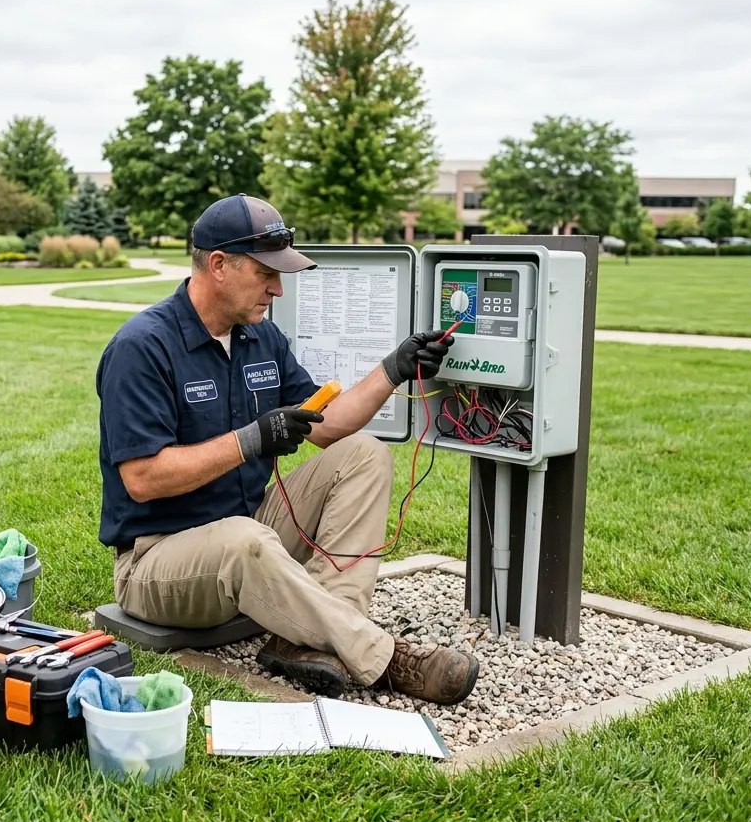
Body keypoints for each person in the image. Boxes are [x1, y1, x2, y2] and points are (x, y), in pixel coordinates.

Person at [94, 194, 479, 705]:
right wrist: (252, 439)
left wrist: (395, 368)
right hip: (157, 562)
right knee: (243, 539)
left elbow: (325, 425)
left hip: (248, 528)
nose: (278, 288)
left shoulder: (261, 337)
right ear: (218, 266)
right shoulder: (142, 347)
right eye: (265, 274)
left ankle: (306, 642)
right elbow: (143, 478)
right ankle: (385, 658)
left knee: (365, 454)